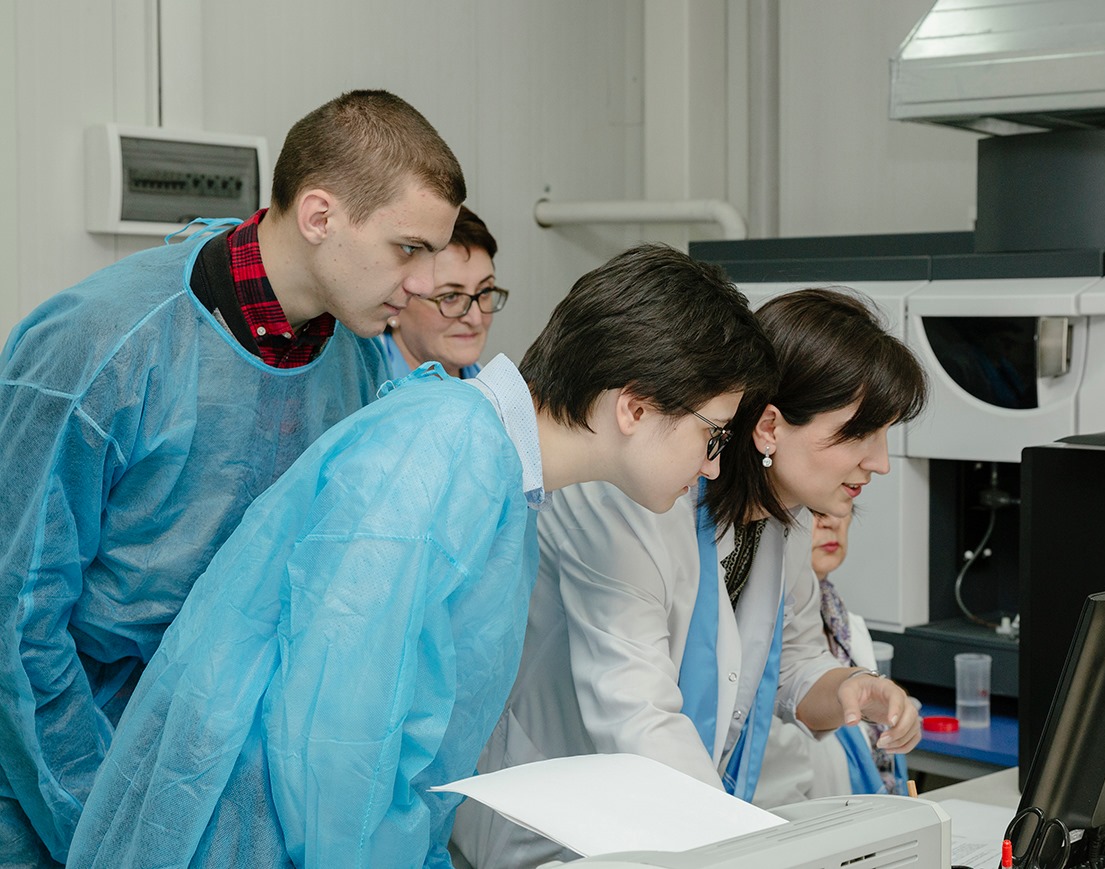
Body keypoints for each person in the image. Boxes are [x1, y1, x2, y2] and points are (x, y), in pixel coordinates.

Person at [64, 244, 775, 869]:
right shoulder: (450, 449)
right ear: (635, 407)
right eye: (713, 434)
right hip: (260, 834)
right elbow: (335, 739)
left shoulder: (498, 471)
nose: (714, 465)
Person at [0, 89, 465, 866]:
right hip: (60, 788)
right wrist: (111, 832)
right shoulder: (97, 347)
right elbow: (17, 627)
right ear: (319, 216)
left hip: (225, 790)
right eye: (408, 248)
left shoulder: (355, 361)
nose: (423, 283)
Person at [452, 287, 930, 869]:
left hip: (671, 817)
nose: (880, 462)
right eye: (858, 434)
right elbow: (640, 717)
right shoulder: (635, 497)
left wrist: (851, 686)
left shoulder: (783, 517)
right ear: (770, 427)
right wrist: (741, 853)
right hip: (556, 823)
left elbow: (792, 663)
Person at [751, 510, 911, 808]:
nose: (831, 522)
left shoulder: (848, 628)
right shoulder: (757, 628)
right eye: (813, 511)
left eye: (843, 509)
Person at [383, 205, 503, 379]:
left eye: (484, 291)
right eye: (450, 297)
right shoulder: (362, 390)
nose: (475, 319)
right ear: (393, 303)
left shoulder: (490, 388)